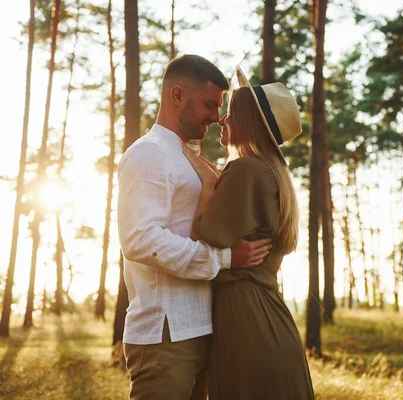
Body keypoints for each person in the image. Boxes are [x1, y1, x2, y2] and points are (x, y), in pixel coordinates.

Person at [117, 55, 272, 400]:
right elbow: (141, 240)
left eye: (218, 107)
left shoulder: (188, 157)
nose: (216, 118)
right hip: (164, 334)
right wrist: (226, 259)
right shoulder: (149, 154)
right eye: (209, 105)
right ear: (176, 96)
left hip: (201, 327)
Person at [182, 66, 314, 400]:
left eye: (229, 113)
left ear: (248, 122)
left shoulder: (243, 169)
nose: (221, 121)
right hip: (271, 321)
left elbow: (201, 233)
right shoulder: (271, 171)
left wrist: (209, 185)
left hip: (247, 322)